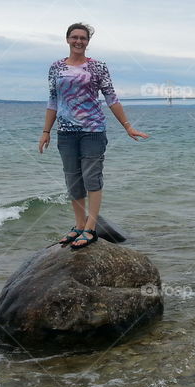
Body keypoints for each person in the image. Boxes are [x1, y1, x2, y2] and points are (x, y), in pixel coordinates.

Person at [38, 22, 148, 249]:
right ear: (67, 39)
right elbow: (53, 100)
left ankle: (90, 227)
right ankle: (79, 225)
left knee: (91, 178)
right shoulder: (56, 67)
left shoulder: (98, 67)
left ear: (88, 42)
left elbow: (111, 98)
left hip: (93, 131)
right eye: (74, 37)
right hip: (66, 132)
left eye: (83, 38)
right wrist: (46, 131)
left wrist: (127, 126)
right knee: (72, 179)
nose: (78, 41)